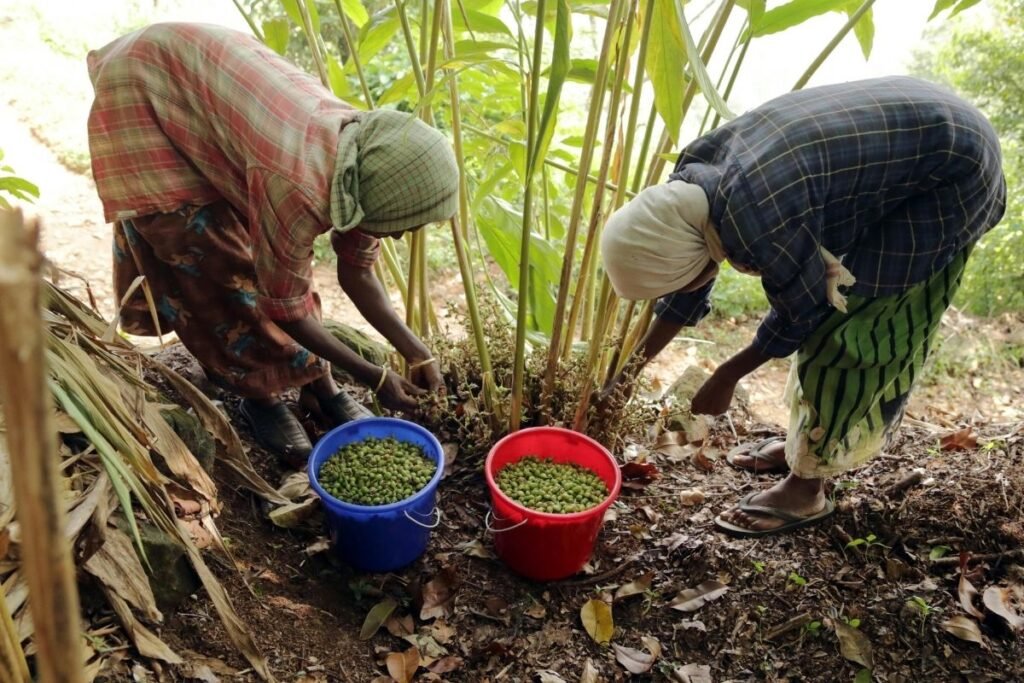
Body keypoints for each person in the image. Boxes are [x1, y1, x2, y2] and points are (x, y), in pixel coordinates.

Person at [599, 76, 1006, 537]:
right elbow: (688, 283)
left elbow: (802, 311)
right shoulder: (694, 180)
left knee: (852, 329)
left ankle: (806, 487)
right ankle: (805, 446)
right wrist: (628, 371)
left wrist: (727, 375)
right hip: (918, 130)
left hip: (952, 171)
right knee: (835, 313)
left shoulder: (757, 218)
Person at [87, 23, 459, 467]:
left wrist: (417, 351)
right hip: (145, 87)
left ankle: (319, 388)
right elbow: (286, 306)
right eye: (399, 226)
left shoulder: (366, 165)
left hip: (213, 92)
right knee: (212, 264)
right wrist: (375, 377)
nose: (397, 236)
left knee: (267, 256)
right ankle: (259, 396)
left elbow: (357, 270)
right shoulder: (299, 184)